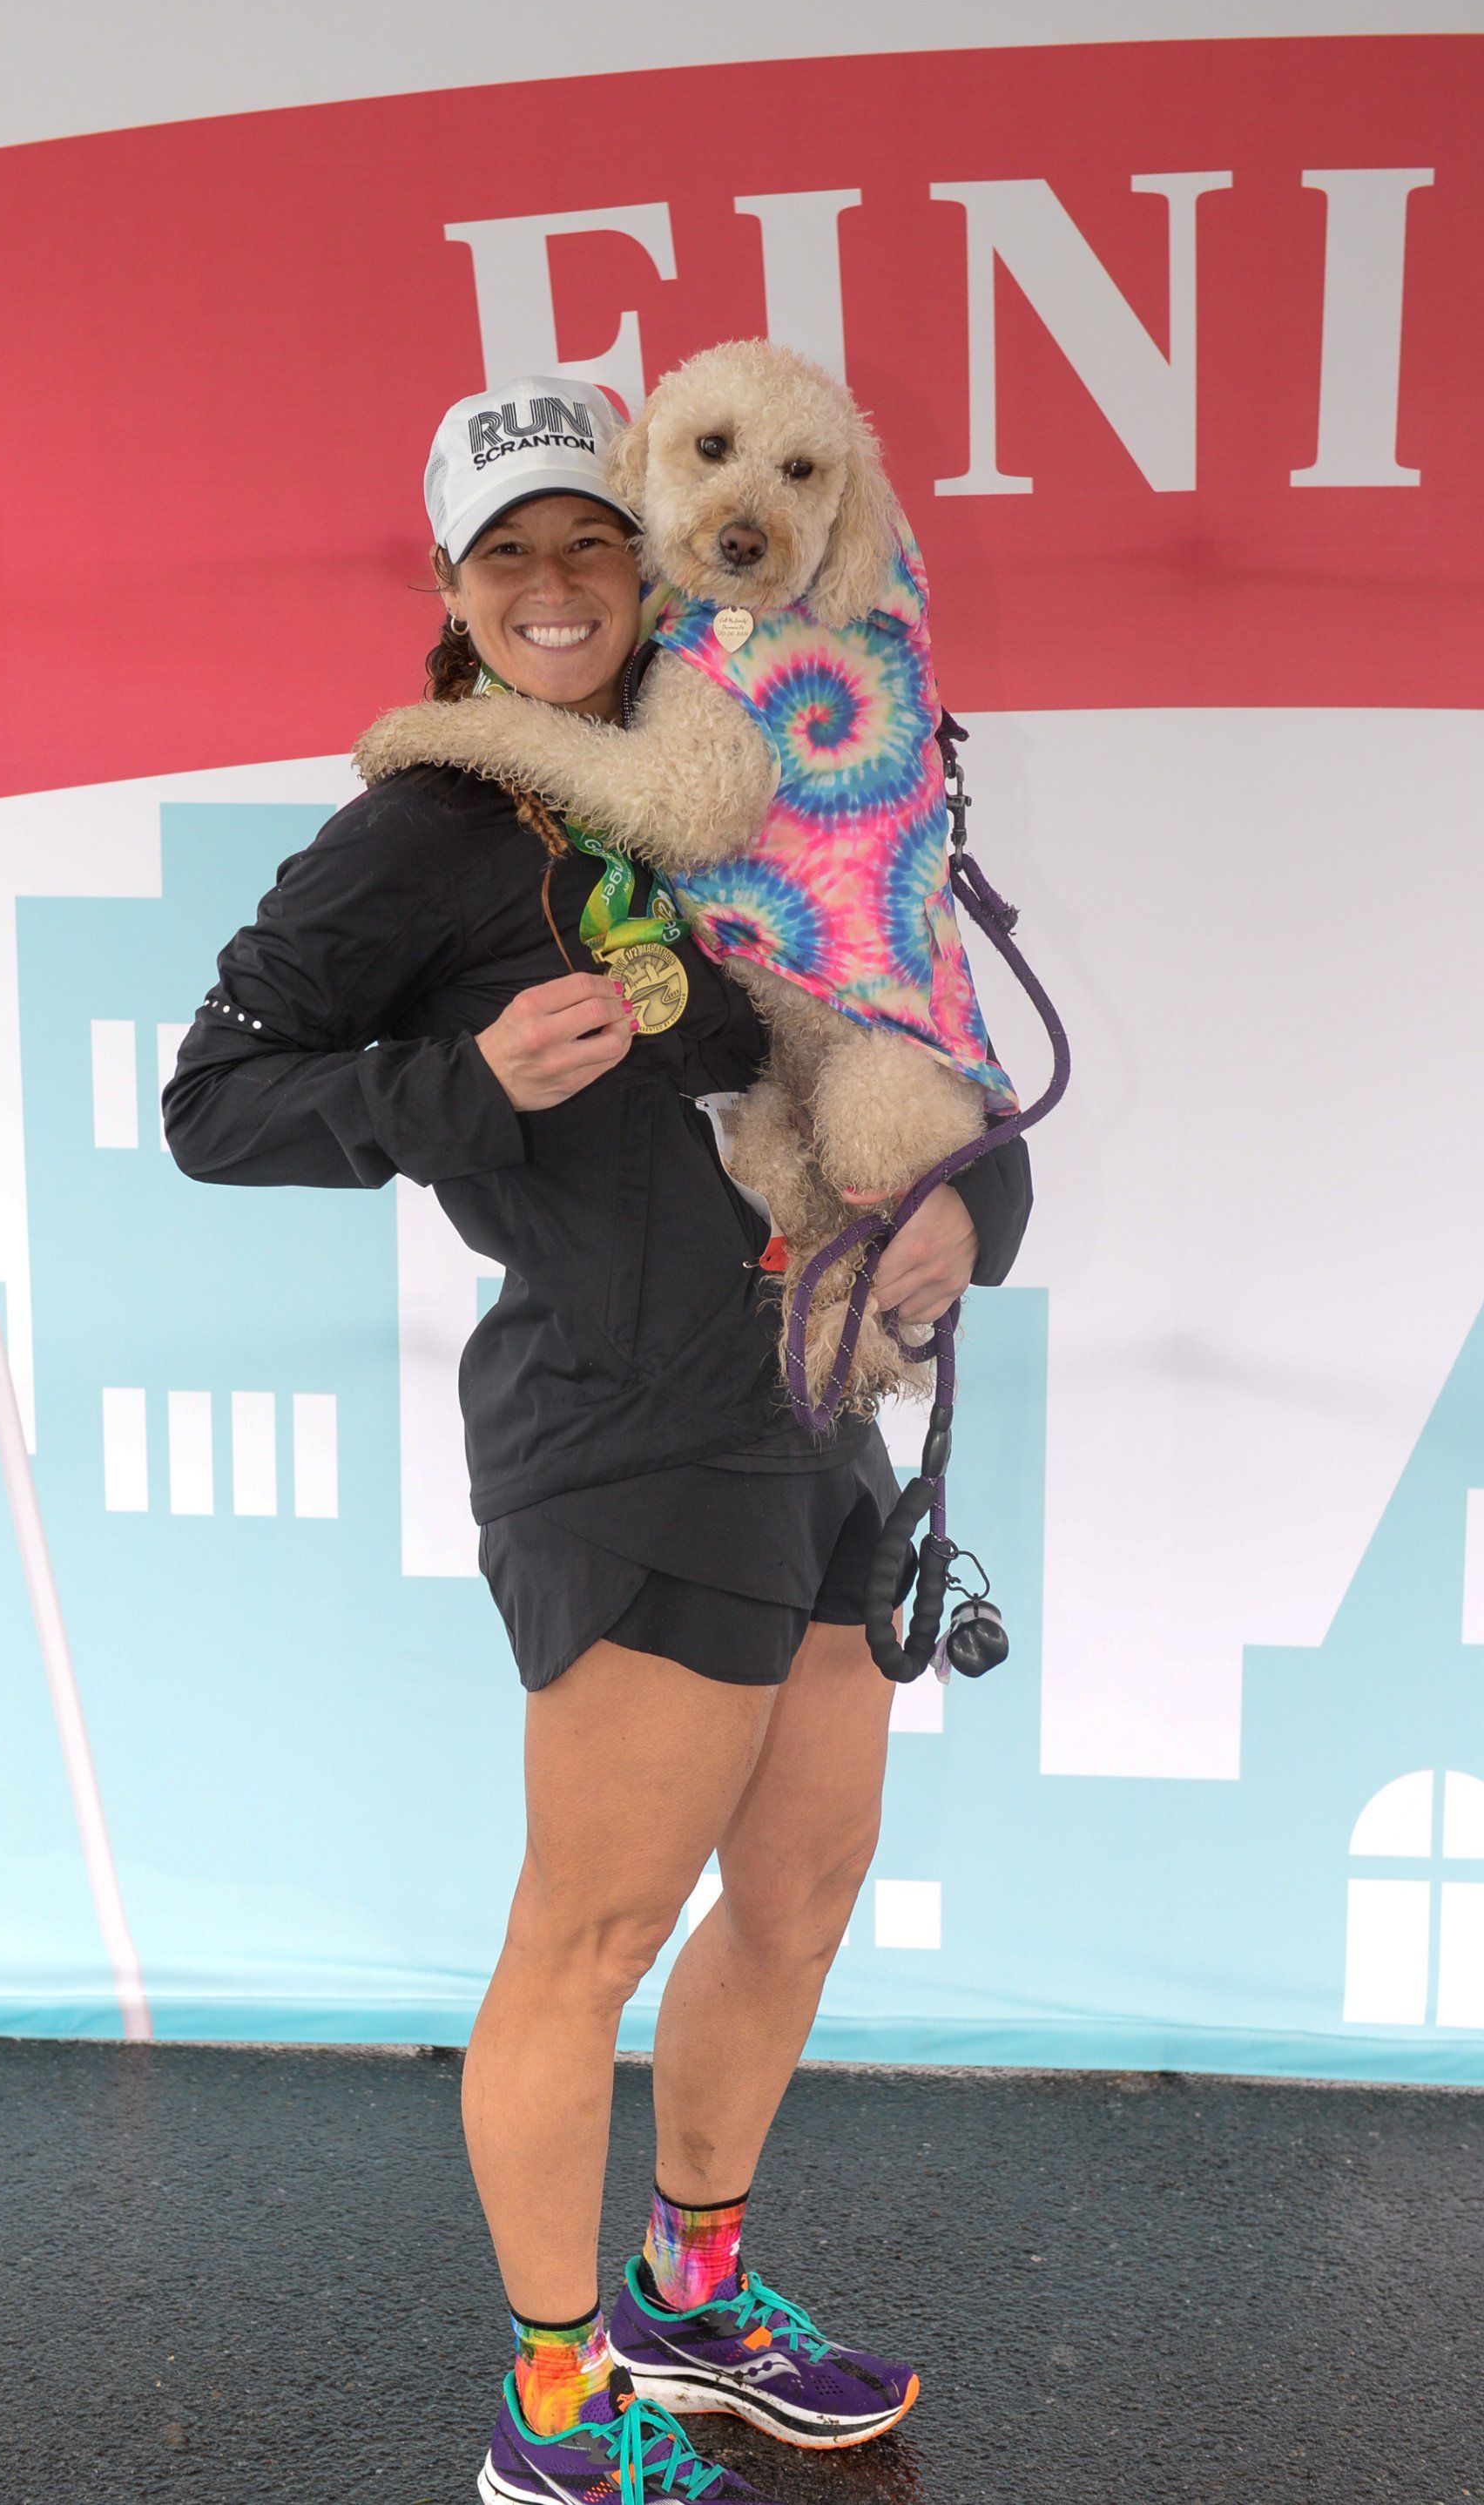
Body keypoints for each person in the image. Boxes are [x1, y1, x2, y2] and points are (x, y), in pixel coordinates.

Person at [163, 375, 1033, 2502]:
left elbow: (906, 997)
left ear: (648, 554)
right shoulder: (429, 831)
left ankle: (693, 2301)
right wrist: (464, 1083)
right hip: (624, 1436)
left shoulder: (739, 784)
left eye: (587, 544)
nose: (556, 587)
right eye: (506, 556)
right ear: (453, 593)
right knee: (591, 1933)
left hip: (816, 1409)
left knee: (805, 1888)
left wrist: (970, 1209)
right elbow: (215, 1096)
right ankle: (552, 2420)